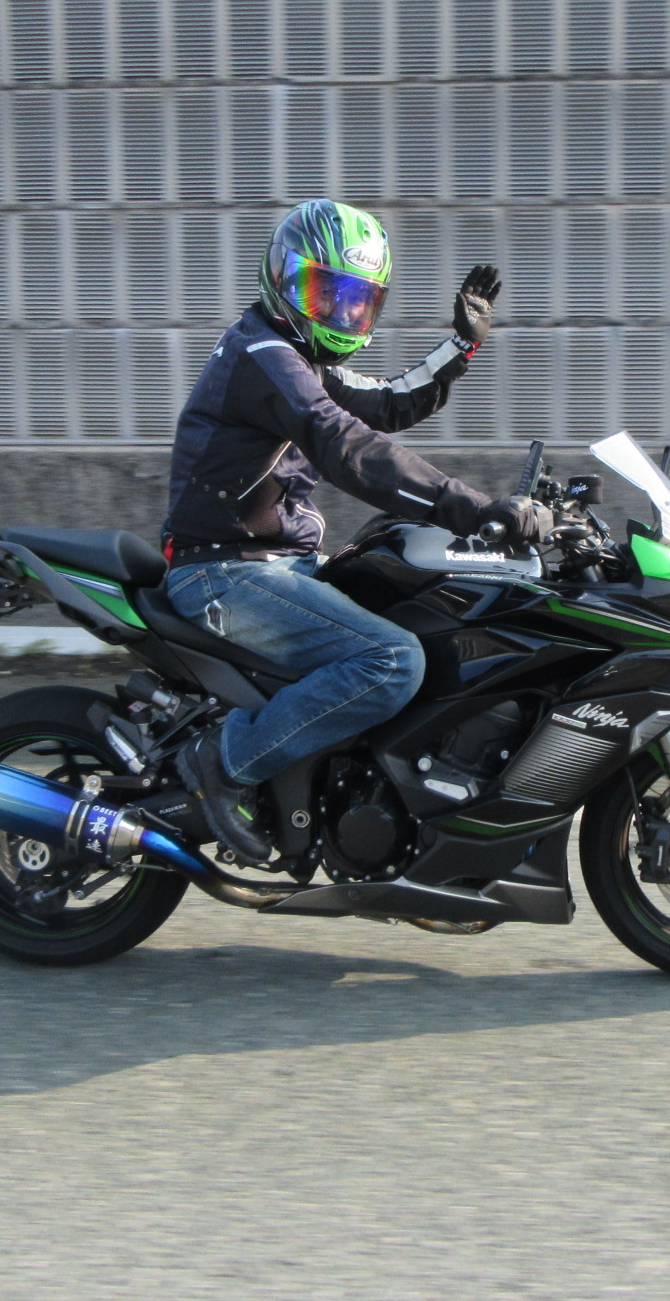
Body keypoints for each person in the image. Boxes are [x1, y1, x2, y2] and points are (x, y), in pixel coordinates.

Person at [160, 199, 541, 862]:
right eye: (324, 294)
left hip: (274, 563)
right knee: (391, 661)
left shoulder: (301, 359)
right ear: (281, 277)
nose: (339, 314)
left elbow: (387, 402)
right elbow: (347, 445)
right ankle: (224, 762)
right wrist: (476, 508)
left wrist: (460, 347)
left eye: (355, 302)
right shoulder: (265, 355)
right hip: (224, 572)